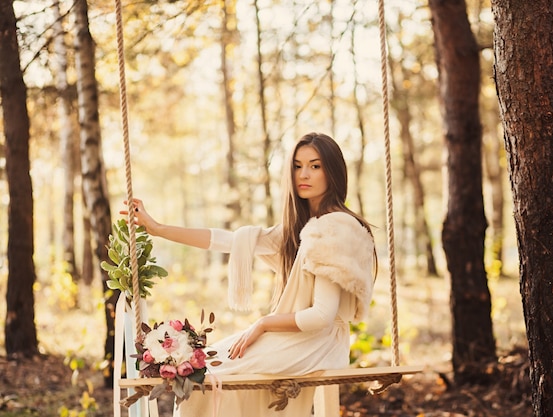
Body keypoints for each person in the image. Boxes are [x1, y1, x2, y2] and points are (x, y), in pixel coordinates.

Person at [123, 132, 377, 416]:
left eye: (315, 166)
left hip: (317, 344)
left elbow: (322, 316)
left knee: (208, 375)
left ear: (333, 172)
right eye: (297, 165)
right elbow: (228, 240)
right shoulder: (303, 228)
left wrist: (264, 324)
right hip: (300, 340)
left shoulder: (334, 228)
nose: (304, 174)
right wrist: (159, 229)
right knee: (203, 366)